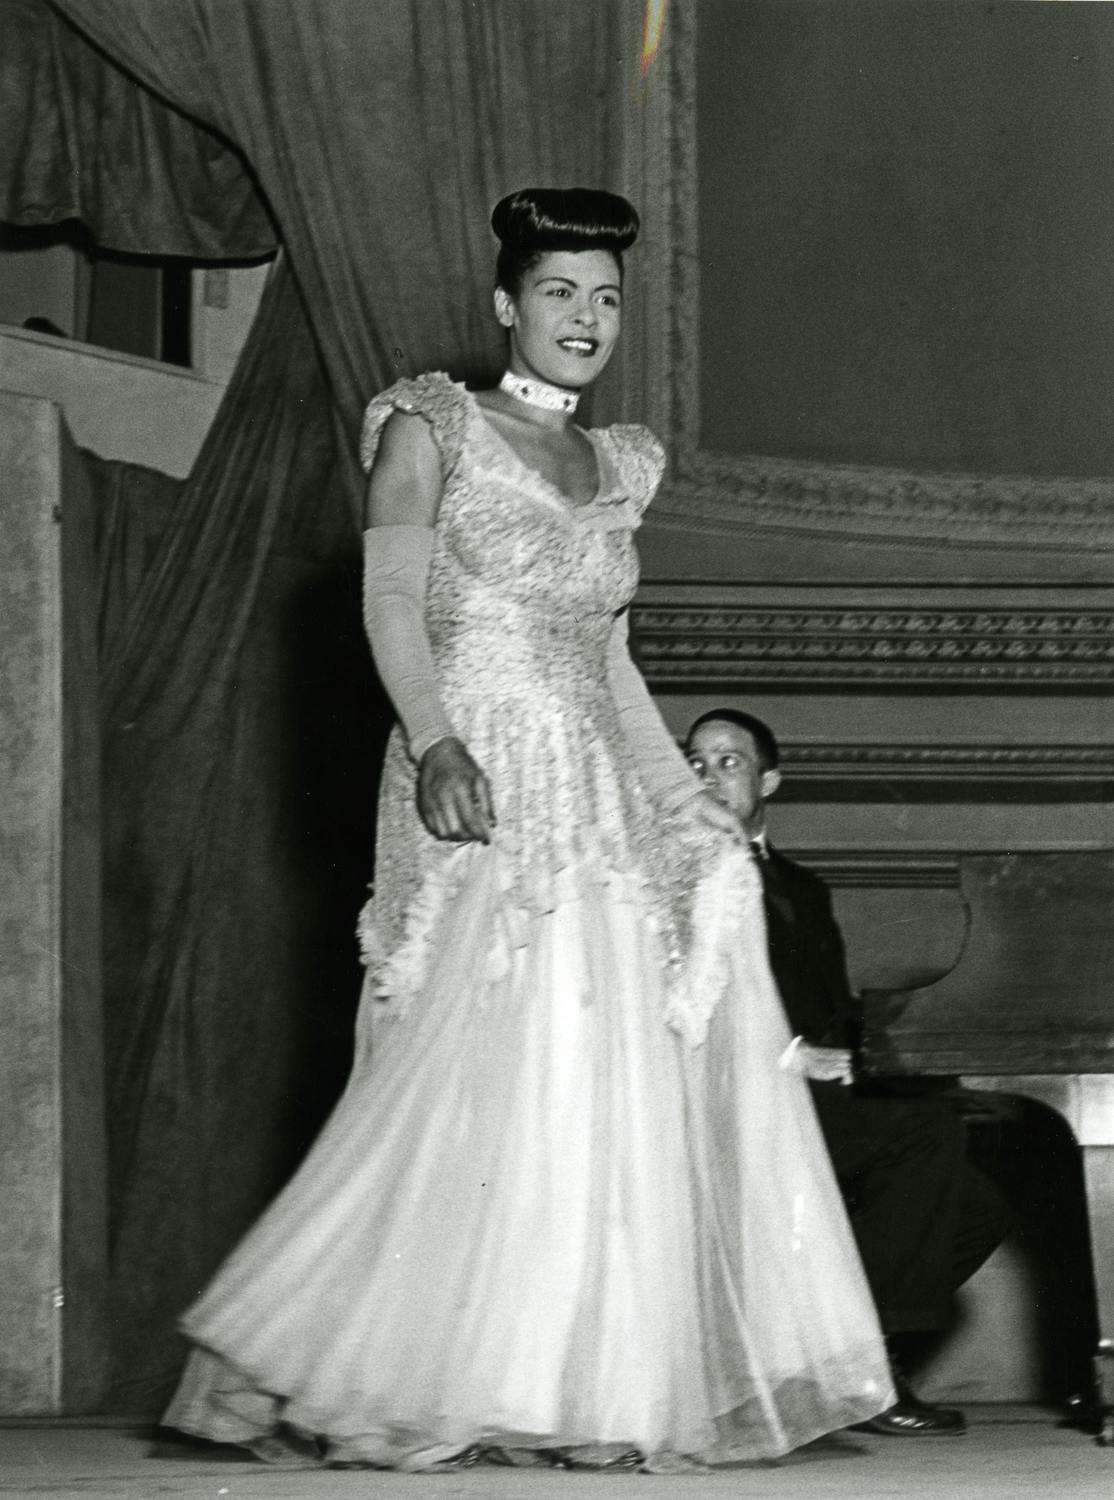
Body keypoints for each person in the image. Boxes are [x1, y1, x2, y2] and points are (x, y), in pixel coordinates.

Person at [162, 188, 894, 1471]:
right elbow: (391, 608)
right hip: (478, 774)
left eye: (606, 298)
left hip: (593, 799)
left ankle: (554, 1388)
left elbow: (608, 662)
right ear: (506, 305)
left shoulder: (621, 465)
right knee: (457, 1076)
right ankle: (277, 1372)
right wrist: (437, 740)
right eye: (560, 293)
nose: (585, 319)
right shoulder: (429, 425)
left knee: (580, 1087)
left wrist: (682, 803)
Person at [684, 708, 1012, 1437]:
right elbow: (674, 1000)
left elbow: (830, 1013)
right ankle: (866, 1371)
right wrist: (785, 1057)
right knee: (924, 1138)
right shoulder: (676, 876)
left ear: (770, 779)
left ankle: (843, 1349)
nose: (708, 776)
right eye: (696, 762)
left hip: (808, 1097)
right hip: (731, 1094)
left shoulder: (803, 886)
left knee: (979, 1205)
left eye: (728, 761)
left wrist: (889, 1071)